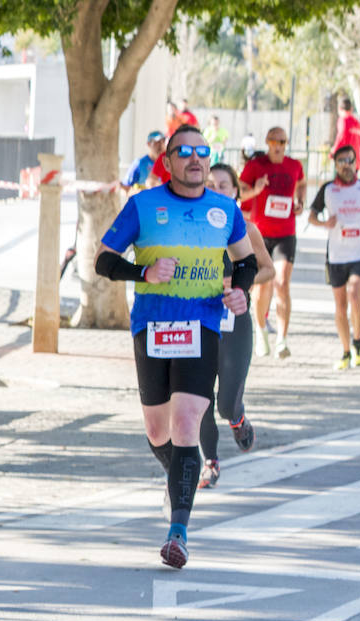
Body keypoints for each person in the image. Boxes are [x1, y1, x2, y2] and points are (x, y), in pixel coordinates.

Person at [95, 124, 258, 568]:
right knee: (157, 430)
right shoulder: (143, 206)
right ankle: (178, 478)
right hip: (152, 325)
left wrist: (240, 291)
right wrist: (142, 274)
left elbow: (247, 261)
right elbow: (104, 260)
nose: (195, 159)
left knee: (187, 424)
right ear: (166, 162)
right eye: (184, 152)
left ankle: (178, 533)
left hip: (201, 323)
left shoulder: (225, 211)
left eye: (202, 153)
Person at [198, 163, 276, 489]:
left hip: (235, 322)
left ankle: (238, 418)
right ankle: (210, 463)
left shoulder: (245, 228)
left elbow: (269, 270)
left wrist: (239, 285)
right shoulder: (192, 229)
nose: (217, 190)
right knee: (198, 397)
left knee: (226, 401)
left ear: (235, 192)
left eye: (224, 185)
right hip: (200, 321)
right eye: (210, 184)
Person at [308, 145, 360, 371]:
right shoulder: (328, 189)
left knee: (354, 294)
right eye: (341, 161)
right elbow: (311, 215)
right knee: (340, 305)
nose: (346, 164)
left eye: (349, 160)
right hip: (336, 254)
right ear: (336, 165)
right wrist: (325, 224)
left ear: (356, 162)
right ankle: (345, 351)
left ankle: (358, 343)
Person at [238, 125, 304, 359]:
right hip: (260, 234)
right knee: (261, 286)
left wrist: (300, 201)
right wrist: (256, 190)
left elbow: (302, 184)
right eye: (274, 142)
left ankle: (282, 340)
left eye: (282, 142)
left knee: (282, 283)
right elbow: (239, 193)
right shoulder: (255, 166)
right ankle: (262, 330)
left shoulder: (295, 166)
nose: (278, 146)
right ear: (267, 142)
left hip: (286, 232)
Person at [332, 98, 360, 171]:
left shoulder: (343, 120)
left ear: (339, 108)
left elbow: (341, 137)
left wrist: (333, 153)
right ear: (351, 109)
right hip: (355, 164)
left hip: (344, 164)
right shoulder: (357, 123)